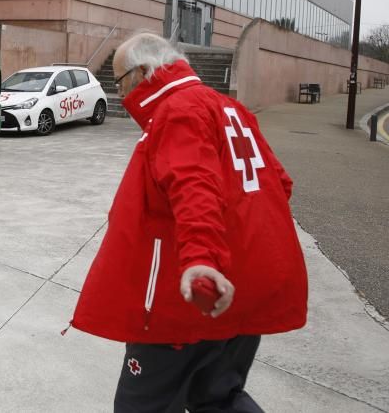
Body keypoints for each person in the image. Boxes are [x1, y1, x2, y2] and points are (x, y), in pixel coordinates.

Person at [70, 32, 307, 412]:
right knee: (217, 398)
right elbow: (278, 184)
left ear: (144, 71)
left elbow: (193, 185)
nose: (122, 94)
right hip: (241, 289)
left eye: (121, 82)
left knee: (142, 405)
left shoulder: (178, 110)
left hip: (189, 296)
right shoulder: (231, 109)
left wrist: (202, 258)